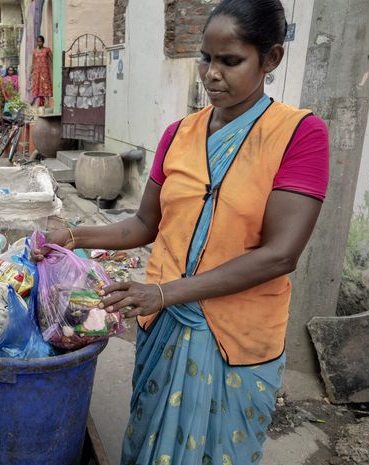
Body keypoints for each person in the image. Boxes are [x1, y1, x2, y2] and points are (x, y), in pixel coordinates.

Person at [35, 1, 329, 464]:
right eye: (206, 59)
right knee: (150, 441)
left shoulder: (299, 135)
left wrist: (165, 292)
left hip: (236, 336)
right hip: (165, 327)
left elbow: (280, 255)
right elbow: (144, 224)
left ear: (270, 59)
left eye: (230, 61)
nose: (212, 74)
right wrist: (72, 235)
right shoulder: (178, 134)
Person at [30, 35, 53, 107]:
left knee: (45, 85)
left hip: (45, 71)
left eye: (40, 41)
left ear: (43, 42)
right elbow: (33, 63)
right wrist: (31, 72)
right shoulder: (34, 51)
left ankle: (47, 103)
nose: (39, 43)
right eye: (37, 41)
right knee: (38, 86)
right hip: (37, 72)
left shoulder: (47, 50)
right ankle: (39, 103)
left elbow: (52, 60)